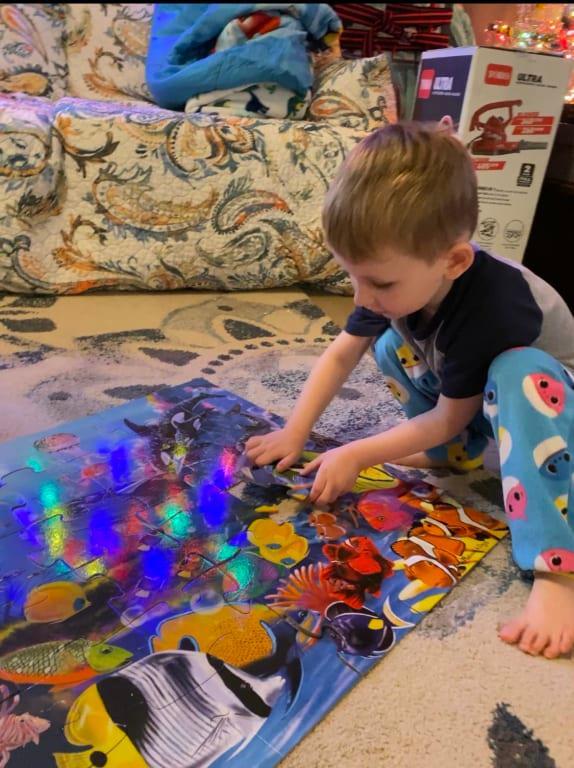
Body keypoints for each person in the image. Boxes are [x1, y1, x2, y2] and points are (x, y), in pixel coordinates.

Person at [245, 119, 574, 660]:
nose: (362, 295)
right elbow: (340, 354)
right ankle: (459, 458)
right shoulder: (395, 281)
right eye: (352, 277)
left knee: (517, 371)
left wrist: (357, 450)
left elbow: (446, 415)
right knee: (381, 344)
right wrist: (294, 432)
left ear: (455, 260)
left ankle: (554, 569)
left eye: (379, 282)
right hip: (477, 403)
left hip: (551, 419)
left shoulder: (495, 304)